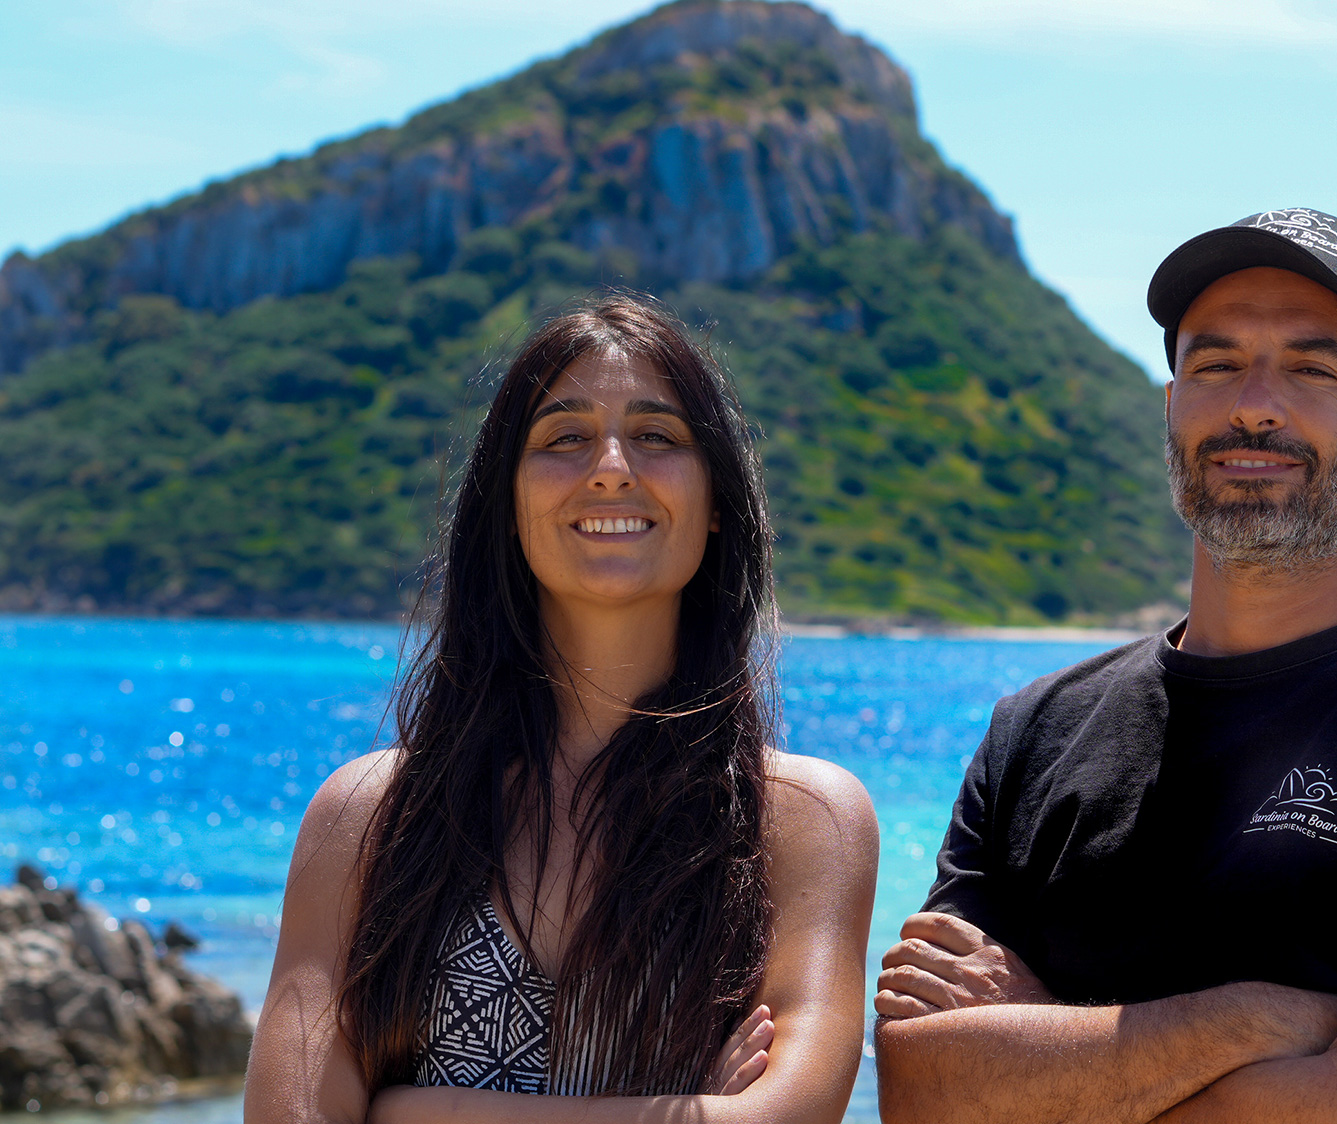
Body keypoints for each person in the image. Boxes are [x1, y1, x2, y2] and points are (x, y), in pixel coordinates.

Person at [872, 209, 1337, 1124]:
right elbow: (921, 1093)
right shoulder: (1035, 729)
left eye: (1313, 369)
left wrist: (1038, 1048)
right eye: (1216, 364)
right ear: (1171, 407)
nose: (1254, 405)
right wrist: (1258, 1018)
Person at [245, 294, 878, 1123]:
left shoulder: (801, 822)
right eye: (564, 438)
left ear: (718, 503)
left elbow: (785, 1117)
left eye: (657, 436)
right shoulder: (371, 817)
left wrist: (407, 1111)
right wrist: (683, 1110)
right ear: (507, 506)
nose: (611, 467)